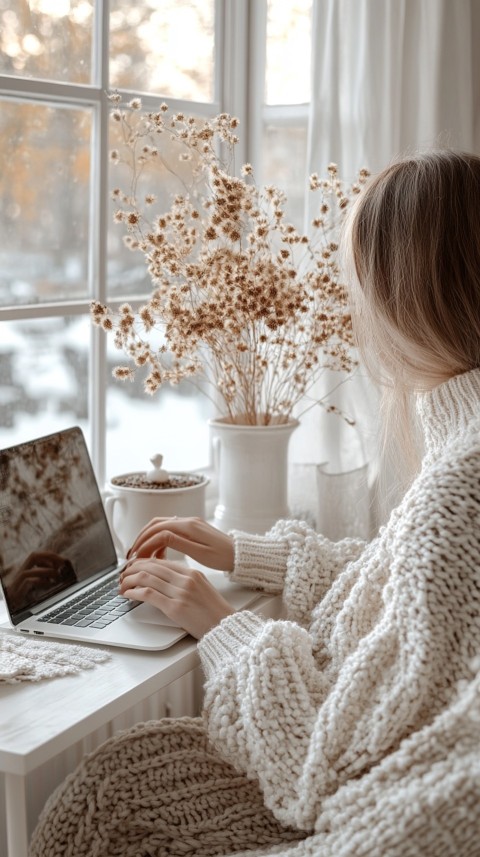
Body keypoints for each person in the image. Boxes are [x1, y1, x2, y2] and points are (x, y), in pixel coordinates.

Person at [30, 150, 480, 857]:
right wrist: (243, 551)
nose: (354, 306)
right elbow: (406, 595)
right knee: (115, 783)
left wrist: (219, 622)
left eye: (359, 282)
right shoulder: (463, 454)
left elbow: (321, 763)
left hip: (361, 813)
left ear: (406, 295)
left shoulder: (460, 488)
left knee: (107, 799)